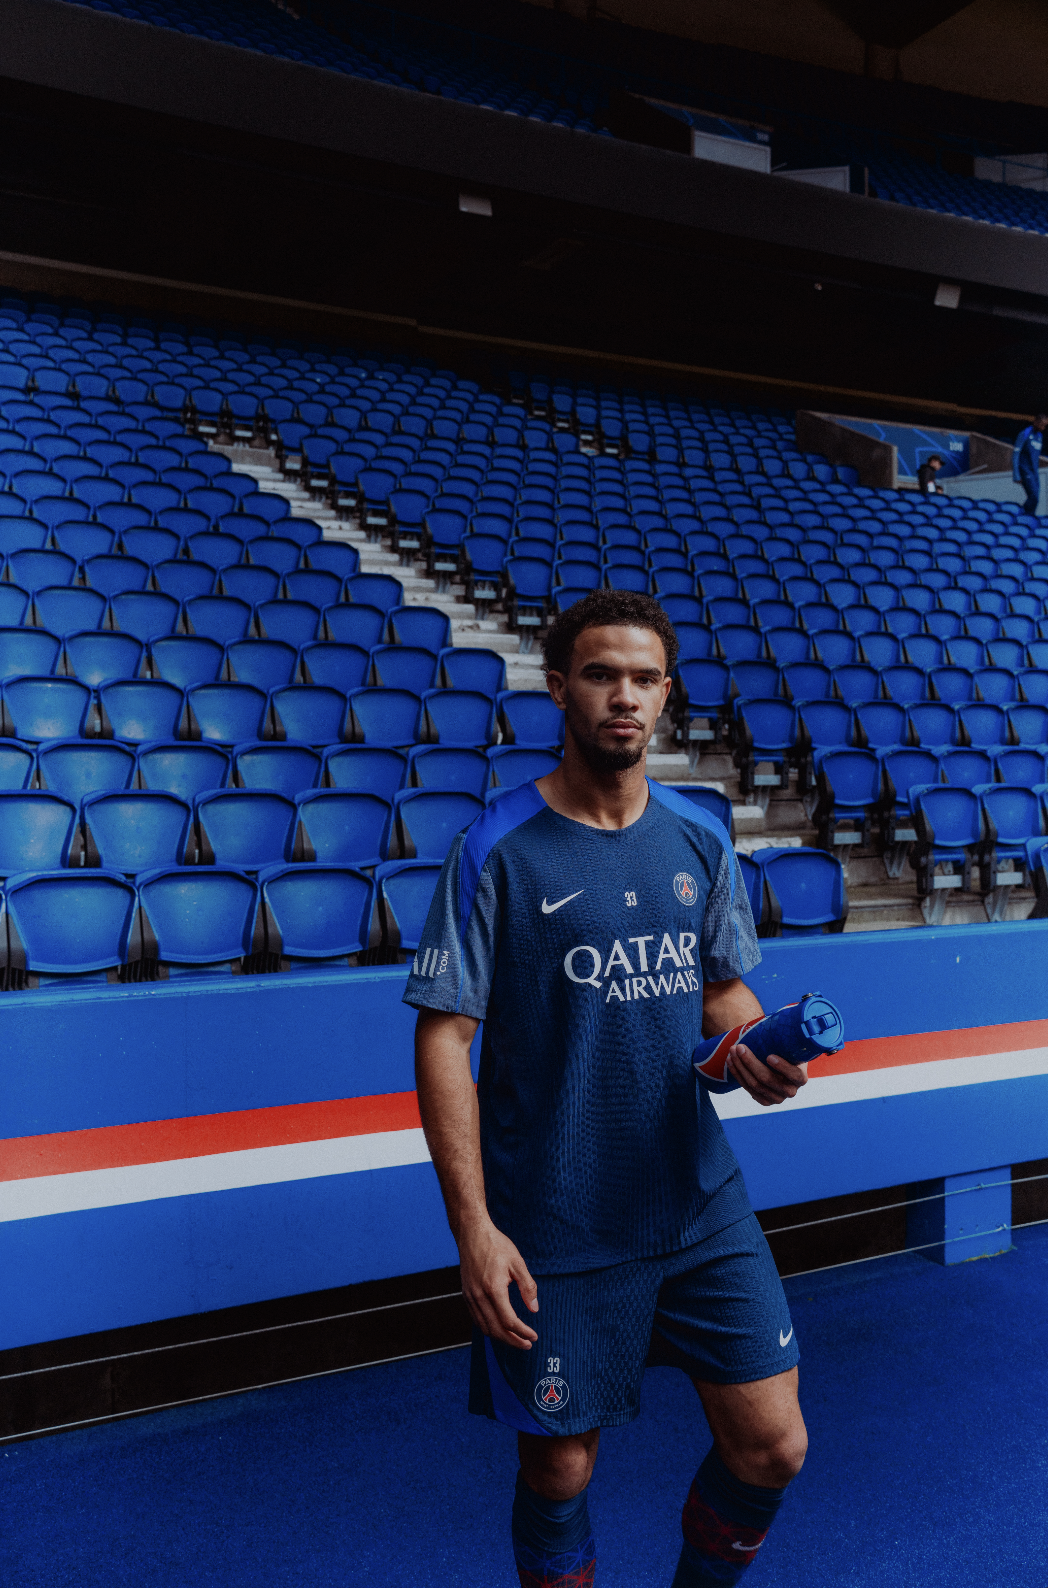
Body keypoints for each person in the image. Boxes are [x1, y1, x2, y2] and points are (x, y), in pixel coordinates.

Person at [407, 589, 809, 1588]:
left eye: (641, 678)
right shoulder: (493, 849)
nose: (621, 696)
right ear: (559, 689)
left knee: (772, 1444)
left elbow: (719, 986)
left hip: (696, 1200)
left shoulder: (698, 836)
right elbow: (443, 1038)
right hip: (555, 1218)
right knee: (560, 1463)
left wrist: (759, 1046)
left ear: (665, 695)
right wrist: (473, 1228)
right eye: (599, 674)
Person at [1012, 414, 1048, 516]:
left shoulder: (1040, 436)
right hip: (1024, 469)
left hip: (1034, 471)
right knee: (1033, 496)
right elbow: (1016, 454)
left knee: (1036, 498)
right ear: (1035, 422)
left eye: (1045, 426)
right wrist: (1016, 474)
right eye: (1041, 425)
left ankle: (1029, 517)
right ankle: (1020, 514)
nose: (1043, 428)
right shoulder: (1025, 433)